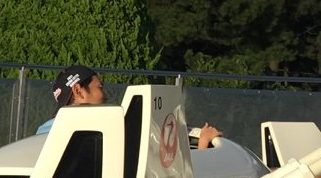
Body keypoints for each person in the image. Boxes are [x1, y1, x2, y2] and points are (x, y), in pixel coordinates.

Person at [37, 66, 221, 147]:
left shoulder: (43, 132)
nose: (106, 95)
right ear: (79, 90)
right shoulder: (104, 133)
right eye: (99, 88)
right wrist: (204, 142)